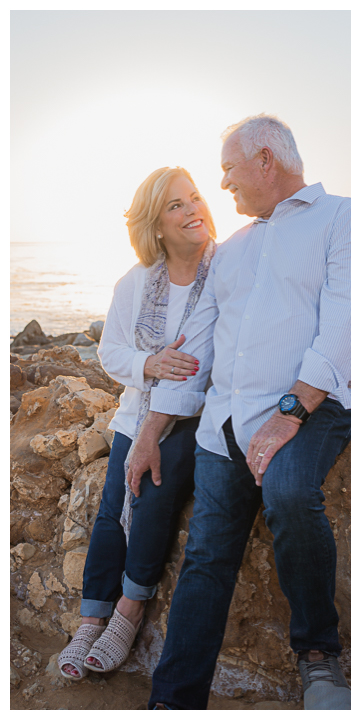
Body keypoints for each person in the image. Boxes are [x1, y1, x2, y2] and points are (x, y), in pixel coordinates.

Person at [125, 115, 351, 710]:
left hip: (314, 408)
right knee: (205, 557)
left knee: (292, 494)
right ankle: (173, 701)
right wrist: (150, 428)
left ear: (266, 160)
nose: (223, 185)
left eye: (228, 169)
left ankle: (319, 659)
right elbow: (199, 346)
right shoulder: (234, 250)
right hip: (226, 422)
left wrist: (291, 410)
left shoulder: (345, 219)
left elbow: (347, 325)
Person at [57, 167, 216, 680]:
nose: (192, 209)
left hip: (195, 412)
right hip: (139, 408)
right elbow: (112, 351)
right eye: (175, 205)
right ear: (156, 225)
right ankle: (91, 617)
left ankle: (129, 610)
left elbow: (197, 363)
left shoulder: (224, 272)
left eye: (194, 198)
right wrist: (148, 364)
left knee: (152, 488)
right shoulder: (136, 281)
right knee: (110, 509)